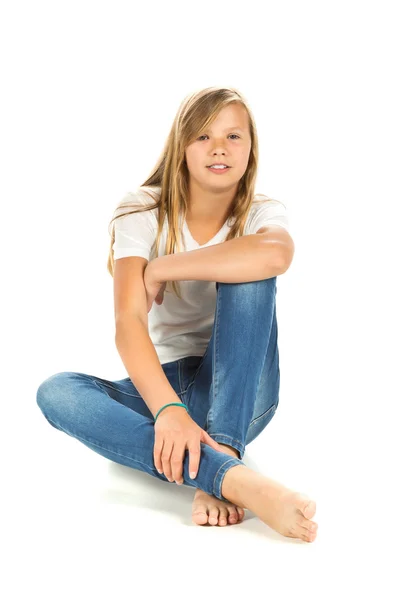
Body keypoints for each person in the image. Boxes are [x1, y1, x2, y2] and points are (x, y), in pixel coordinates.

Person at [36, 86, 318, 542]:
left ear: (251, 148)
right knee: (58, 393)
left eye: (234, 136)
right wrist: (168, 409)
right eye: (203, 136)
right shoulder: (142, 210)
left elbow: (275, 256)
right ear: (181, 146)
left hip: (245, 394)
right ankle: (230, 478)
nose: (220, 148)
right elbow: (128, 323)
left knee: (251, 272)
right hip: (170, 388)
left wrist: (165, 266)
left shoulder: (262, 213)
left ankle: (223, 447)